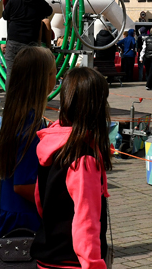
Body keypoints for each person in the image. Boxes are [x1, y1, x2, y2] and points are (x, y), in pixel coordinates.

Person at [32, 67, 112, 269]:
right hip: (72, 261)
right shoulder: (83, 158)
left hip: (48, 255)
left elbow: (40, 199)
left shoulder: (51, 144)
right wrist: (93, 264)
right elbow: (86, 221)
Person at [0, 46, 54, 269]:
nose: (57, 79)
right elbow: (24, 184)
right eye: (54, 74)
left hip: (10, 212)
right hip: (23, 218)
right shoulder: (29, 121)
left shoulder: (18, 113)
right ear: (41, 80)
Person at [2, 0, 54, 78]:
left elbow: (5, 16)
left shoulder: (14, 0)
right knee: (28, 75)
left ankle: (10, 93)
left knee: (11, 73)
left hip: (14, 40)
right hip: (30, 42)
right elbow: (49, 11)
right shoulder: (38, 1)